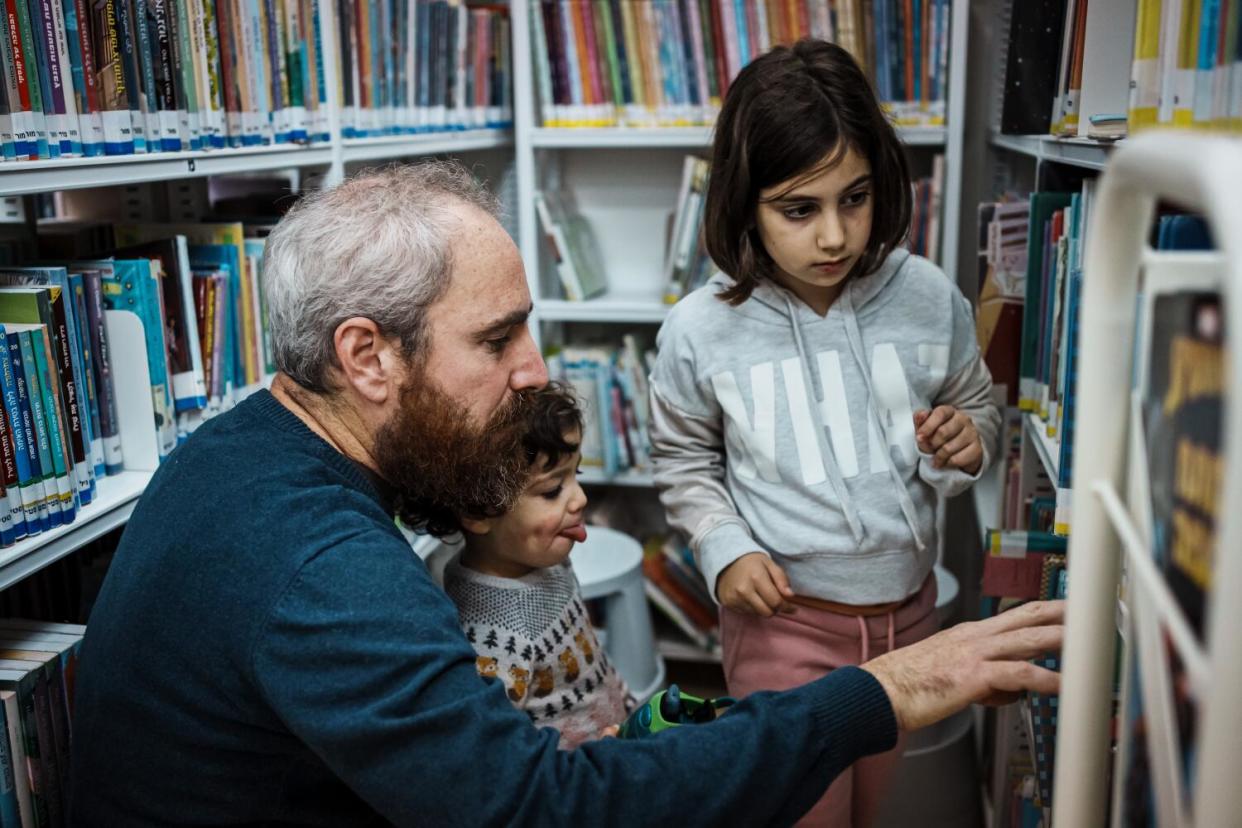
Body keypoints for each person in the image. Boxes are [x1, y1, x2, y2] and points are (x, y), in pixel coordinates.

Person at [70, 160, 1062, 826]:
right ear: (367, 356)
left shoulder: (240, 447)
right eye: (497, 340)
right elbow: (545, 810)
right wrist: (877, 693)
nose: (536, 371)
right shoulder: (319, 567)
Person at [648, 41, 1002, 827]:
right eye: (799, 210)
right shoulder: (701, 330)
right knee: (800, 812)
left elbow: (978, 406)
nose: (836, 237)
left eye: (856, 197)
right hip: (784, 626)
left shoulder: (925, 295)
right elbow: (682, 456)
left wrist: (969, 439)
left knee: (866, 807)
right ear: (746, 203)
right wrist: (722, 545)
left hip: (909, 617)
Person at [433, 382, 633, 748]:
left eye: (577, 476)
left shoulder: (547, 560)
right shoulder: (490, 638)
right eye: (552, 490)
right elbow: (506, 753)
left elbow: (586, 657)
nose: (581, 498)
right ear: (478, 510)